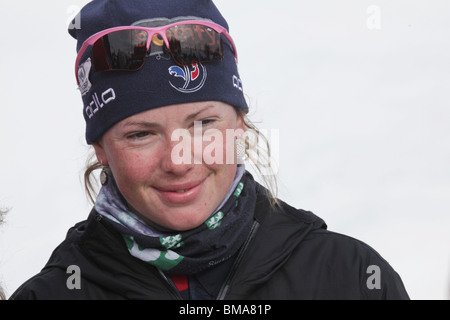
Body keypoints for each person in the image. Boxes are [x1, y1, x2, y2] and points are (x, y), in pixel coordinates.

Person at [10, 0, 409, 300]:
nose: (178, 161)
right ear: (100, 148)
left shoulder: (351, 279)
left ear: (239, 123)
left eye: (203, 125)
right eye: (140, 135)